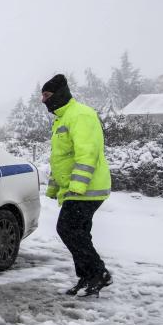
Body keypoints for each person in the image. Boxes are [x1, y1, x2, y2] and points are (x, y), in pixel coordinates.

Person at [41, 73, 113, 296]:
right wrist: (55, 187)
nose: (44, 100)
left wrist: (77, 186)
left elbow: (87, 153)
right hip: (75, 189)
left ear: (59, 94)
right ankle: (87, 278)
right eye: (42, 96)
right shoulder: (62, 118)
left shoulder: (80, 115)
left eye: (47, 95)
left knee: (67, 229)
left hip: (87, 188)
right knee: (80, 232)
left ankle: (99, 273)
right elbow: (61, 158)